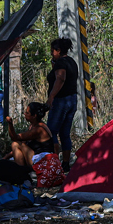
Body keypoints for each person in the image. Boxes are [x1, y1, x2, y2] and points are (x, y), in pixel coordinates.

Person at [46, 38, 79, 170]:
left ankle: (54, 163)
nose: (51, 53)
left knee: (51, 131)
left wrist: (51, 97)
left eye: (53, 51)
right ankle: (65, 164)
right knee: (64, 133)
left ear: (58, 51)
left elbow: (60, 78)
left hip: (61, 100)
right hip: (72, 99)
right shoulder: (71, 62)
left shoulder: (61, 63)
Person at [5, 102, 56, 171]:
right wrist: (6, 157)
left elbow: (15, 138)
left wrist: (10, 124)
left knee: (15, 144)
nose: (24, 114)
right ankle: (22, 170)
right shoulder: (33, 126)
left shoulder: (39, 129)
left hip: (43, 162)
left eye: (27, 113)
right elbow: (24, 143)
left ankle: (22, 173)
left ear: (34, 116)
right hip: (36, 157)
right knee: (17, 146)